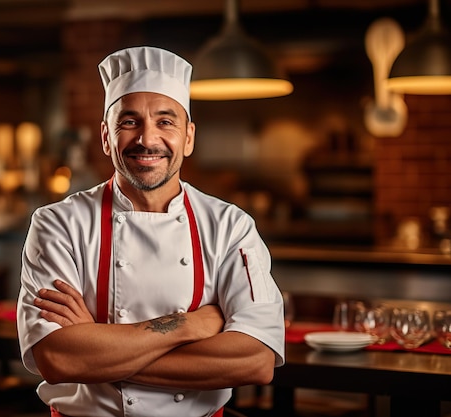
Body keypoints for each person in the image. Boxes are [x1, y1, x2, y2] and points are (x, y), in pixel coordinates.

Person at [17, 45, 285, 417]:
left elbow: (254, 361)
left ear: (188, 137)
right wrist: (189, 325)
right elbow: (58, 358)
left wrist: (98, 355)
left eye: (165, 121)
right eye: (129, 121)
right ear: (106, 136)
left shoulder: (230, 226)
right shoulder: (58, 224)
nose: (147, 139)